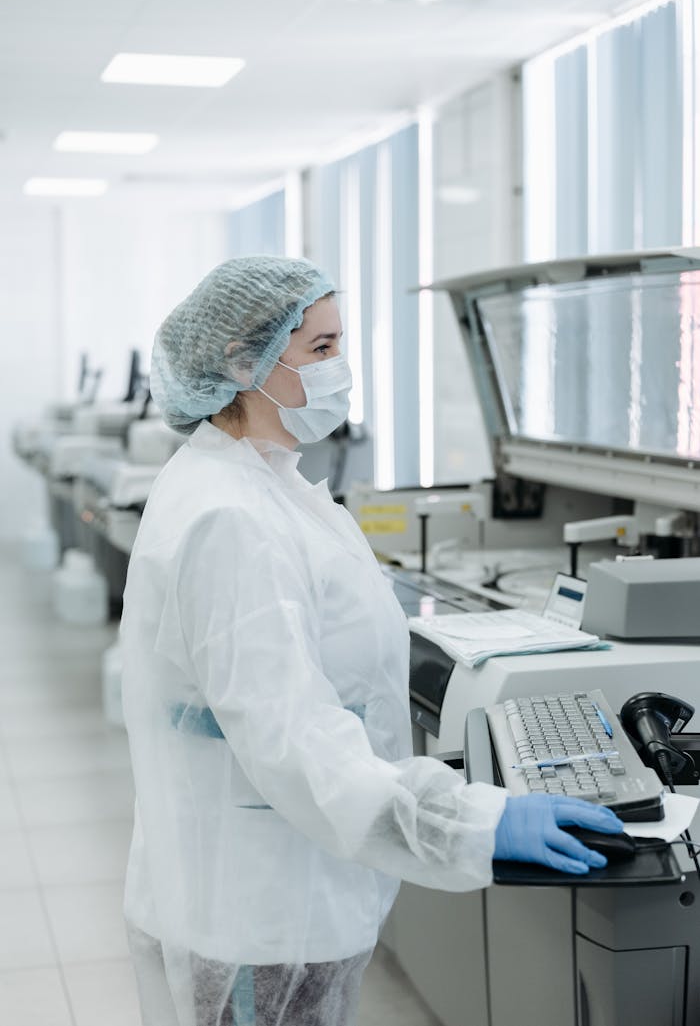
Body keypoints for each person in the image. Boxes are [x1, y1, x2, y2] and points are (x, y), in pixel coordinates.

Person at [120, 255, 623, 1026]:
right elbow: (295, 740)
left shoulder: (265, 484)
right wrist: (471, 822)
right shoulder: (230, 518)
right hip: (257, 906)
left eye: (339, 344)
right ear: (242, 363)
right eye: (319, 348)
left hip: (272, 876)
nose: (339, 368)